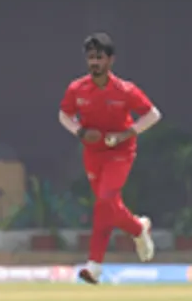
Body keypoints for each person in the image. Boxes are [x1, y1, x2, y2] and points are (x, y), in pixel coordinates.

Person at [57, 33, 161, 285]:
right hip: (93, 153)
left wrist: (128, 132)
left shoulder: (125, 90)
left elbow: (153, 114)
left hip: (120, 152)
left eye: (99, 58)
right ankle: (137, 228)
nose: (94, 63)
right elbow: (64, 115)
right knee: (107, 204)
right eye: (90, 58)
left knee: (105, 200)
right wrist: (80, 132)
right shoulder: (77, 88)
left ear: (110, 60)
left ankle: (94, 265)